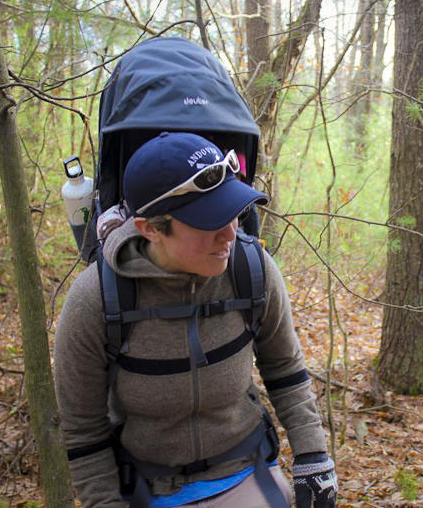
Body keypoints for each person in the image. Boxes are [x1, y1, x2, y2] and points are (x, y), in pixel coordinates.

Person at [54, 132, 337, 508]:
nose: (231, 233)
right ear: (150, 228)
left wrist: (312, 456)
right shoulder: (96, 300)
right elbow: (83, 431)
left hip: (246, 470)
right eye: (209, 221)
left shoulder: (250, 269)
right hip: (147, 486)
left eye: (234, 213)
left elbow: (285, 367)